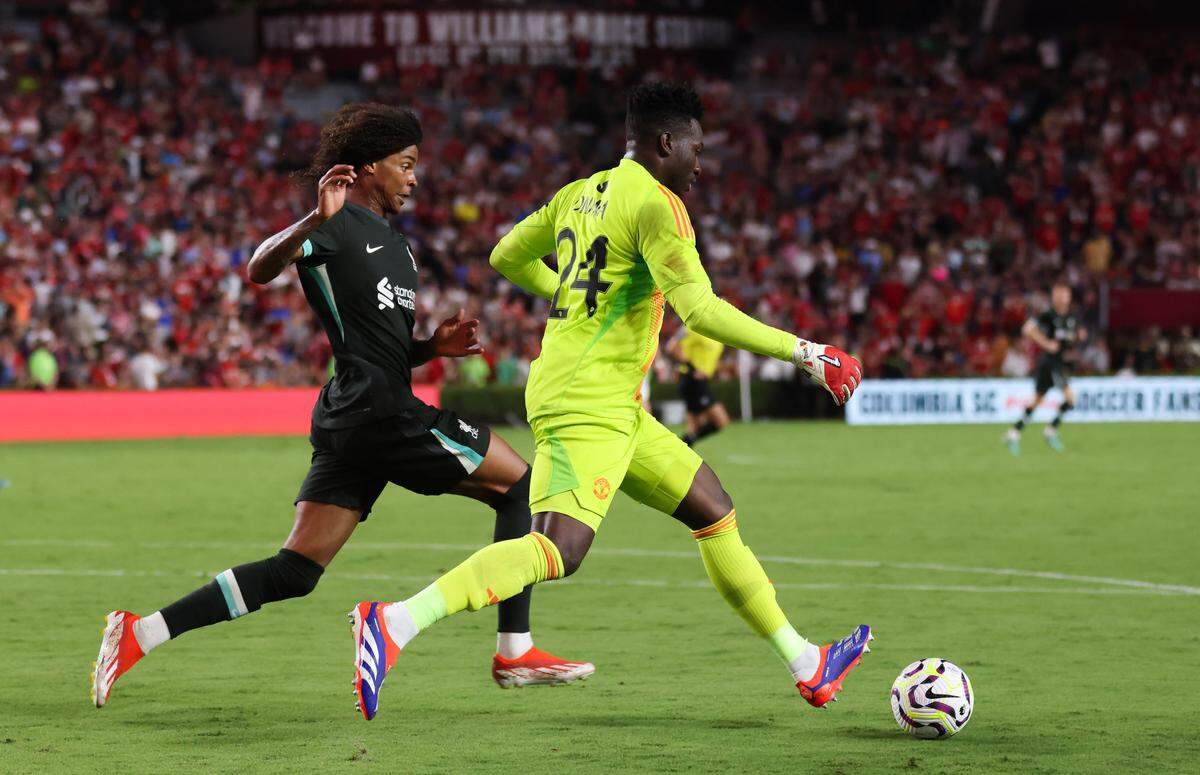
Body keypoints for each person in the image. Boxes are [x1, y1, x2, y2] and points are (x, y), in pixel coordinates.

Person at [348, 84, 870, 721]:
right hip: (586, 401)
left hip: (611, 401)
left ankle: (806, 663)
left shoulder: (581, 192)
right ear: (665, 143)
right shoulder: (659, 205)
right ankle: (395, 621)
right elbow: (699, 311)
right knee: (557, 551)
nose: (700, 165)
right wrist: (806, 353)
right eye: (696, 150)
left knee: (713, 509)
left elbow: (505, 254)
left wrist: (571, 298)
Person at [91, 103, 592, 710]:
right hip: (381, 412)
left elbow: (377, 347)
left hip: (357, 412)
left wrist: (433, 347)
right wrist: (311, 219)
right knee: (522, 488)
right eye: (405, 166)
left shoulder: (397, 246)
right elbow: (258, 268)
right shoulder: (335, 224)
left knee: (294, 572)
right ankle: (514, 648)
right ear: (369, 167)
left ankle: (138, 635)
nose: (413, 179)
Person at [1005, 282, 1086, 454]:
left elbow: (1078, 335)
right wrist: (1046, 343)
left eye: (1065, 294)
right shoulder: (1048, 315)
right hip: (1050, 362)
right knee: (1071, 397)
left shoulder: (1072, 318)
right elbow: (1028, 329)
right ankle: (1050, 431)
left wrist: (1079, 337)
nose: (1062, 297)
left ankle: (1013, 433)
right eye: (1059, 294)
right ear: (1054, 296)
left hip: (1060, 363)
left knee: (1036, 401)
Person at [667, 327, 730, 446]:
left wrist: (723, 369)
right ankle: (680, 447)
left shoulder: (718, 334)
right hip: (692, 380)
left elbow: (710, 359)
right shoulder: (694, 328)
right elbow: (672, 347)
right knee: (721, 420)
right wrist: (691, 369)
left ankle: (681, 448)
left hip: (702, 382)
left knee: (695, 428)